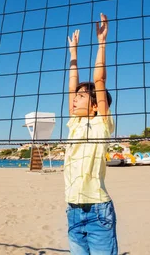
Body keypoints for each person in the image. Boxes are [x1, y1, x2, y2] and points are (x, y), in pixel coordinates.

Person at [64, 13, 117, 255]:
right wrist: (73, 55)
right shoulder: (74, 122)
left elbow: (99, 79)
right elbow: (71, 85)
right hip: (73, 209)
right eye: (75, 97)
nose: (74, 100)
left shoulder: (101, 124)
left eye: (82, 97)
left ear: (96, 105)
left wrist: (101, 43)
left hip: (98, 209)